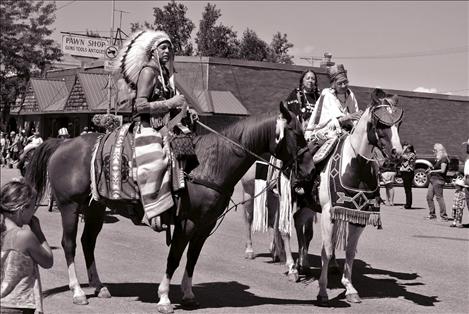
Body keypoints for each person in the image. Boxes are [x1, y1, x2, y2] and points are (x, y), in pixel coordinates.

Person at [117, 29, 187, 231]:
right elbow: (140, 105)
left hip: (164, 127)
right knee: (156, 160)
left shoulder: (164, 74)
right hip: (145, 125)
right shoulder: (148, 71)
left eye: (169, 48)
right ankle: (152, 211)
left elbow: (171, 105)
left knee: (187, 148)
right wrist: (170, 102)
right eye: (163, 47)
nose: (167, 51)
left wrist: (185, 110)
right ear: (153, 51)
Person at [1, 179, 54, 313]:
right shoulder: (24, 236)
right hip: (18, 306)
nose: (34, 212)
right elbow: (48, 261)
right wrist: (38, 232)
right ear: (22, 209)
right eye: (32, 207)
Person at [305, 64, 362, 143]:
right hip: (325, 133)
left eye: (345, 82)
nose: (343, 86)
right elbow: (331, 123)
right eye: (340, 83)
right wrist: (348, 117)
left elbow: (355, 117)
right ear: (333, 84)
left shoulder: (350, 94)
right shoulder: (327, 94)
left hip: (348, 133)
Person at [426, 143, 450, 220]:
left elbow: (442, 170)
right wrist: (430, 169)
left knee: (439, 197)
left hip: (438, 180)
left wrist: (432, 171)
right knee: (429, 197)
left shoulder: (444, 159)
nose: (434, 151)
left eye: (435, 150)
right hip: (433, 179)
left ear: (439, 150)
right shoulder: (438, 159)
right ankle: (432, 214)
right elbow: (435, 168)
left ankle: (444, 216)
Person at [400, 143, 416, 209]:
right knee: (406, 189)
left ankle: (408, 204)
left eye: (408, 148)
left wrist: (403, 149)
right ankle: (407, 203)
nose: (407, 149)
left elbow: (403, 156)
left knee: (408, 189)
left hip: (408, 172)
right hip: (404, 172)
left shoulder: (412, 154)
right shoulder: (407, 154)